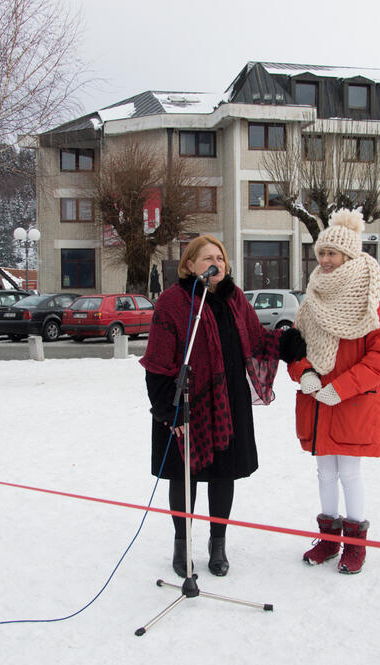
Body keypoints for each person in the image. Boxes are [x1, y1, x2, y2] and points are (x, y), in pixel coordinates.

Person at [140, 235, 292, 578]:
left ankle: (218, 543)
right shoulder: (174, 301)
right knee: (184, 476)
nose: (216, 263)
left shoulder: (235, 299)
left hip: (228, 400)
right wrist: (170, 410)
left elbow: (256, 340)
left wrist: (287, 343)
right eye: (208, 258)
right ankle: (182, 543)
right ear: (190, 265)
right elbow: (157, 362)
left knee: (224, 474)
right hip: (184, 400)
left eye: (221, 258)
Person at [287, 208, 380, 574]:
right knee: (324, 472)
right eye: (321, 253)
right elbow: (294, 344)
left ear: (349, 254)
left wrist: (342, 388)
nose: (325, 260)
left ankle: (355, 543)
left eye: (332, 254)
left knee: (349, 472)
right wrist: (303, 372)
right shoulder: (313, 296)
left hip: (352, 401)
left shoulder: (378, 296)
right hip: (318, 400)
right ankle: (329, 538)